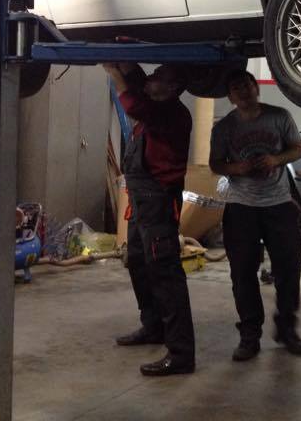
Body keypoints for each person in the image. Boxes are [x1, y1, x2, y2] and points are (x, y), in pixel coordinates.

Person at [104, 62, 196, 376]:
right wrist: (128, 65)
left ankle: (181, 354)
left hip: (159, 202)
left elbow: (133, 104)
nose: (152, 78)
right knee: (138, 262)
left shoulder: (172, 113)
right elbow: (141, 86)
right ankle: (153, 326)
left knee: (165, 273)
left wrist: (115, 74)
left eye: (159, 76)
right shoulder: (157, 102)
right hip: (142, 201)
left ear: (173, 88)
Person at [209, 69, 301, 361]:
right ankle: (249, 336)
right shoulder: (224, 128)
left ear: (256, 88)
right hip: (242, 207)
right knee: (242, 273)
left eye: (248, 85)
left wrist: (276, 159)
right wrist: (237, 168)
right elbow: (216, 164)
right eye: (237, 88)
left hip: (279, 204)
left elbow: (297, 149)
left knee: (289, 269)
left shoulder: (279, 117)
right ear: (230, 97)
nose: (244, 91)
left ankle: (287, 329)